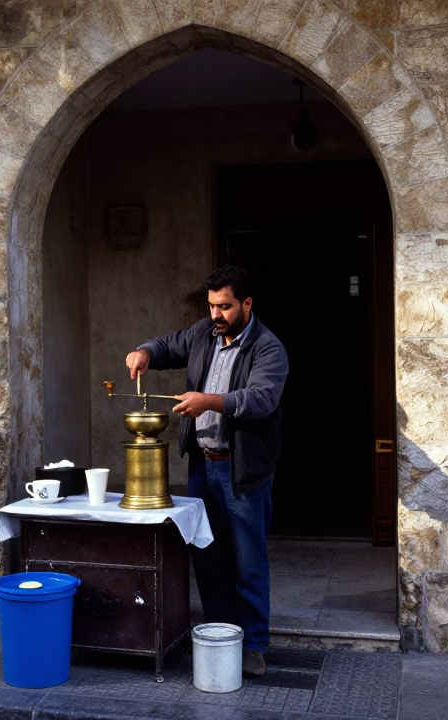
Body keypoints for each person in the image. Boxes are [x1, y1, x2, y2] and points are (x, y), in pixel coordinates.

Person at [126, 266, 287, 677]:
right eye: (212, 305)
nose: (217, 313)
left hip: (241, 471)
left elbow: (260, 399)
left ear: (247, 304)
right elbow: (166, 345)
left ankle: (253, 647)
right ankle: (221, 637)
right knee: (209, 560)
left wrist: (208, 402)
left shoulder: (268, 348)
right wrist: (144, 351)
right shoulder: (203, 333)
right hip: (202, 467)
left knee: (248, 562)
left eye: (226, 306)